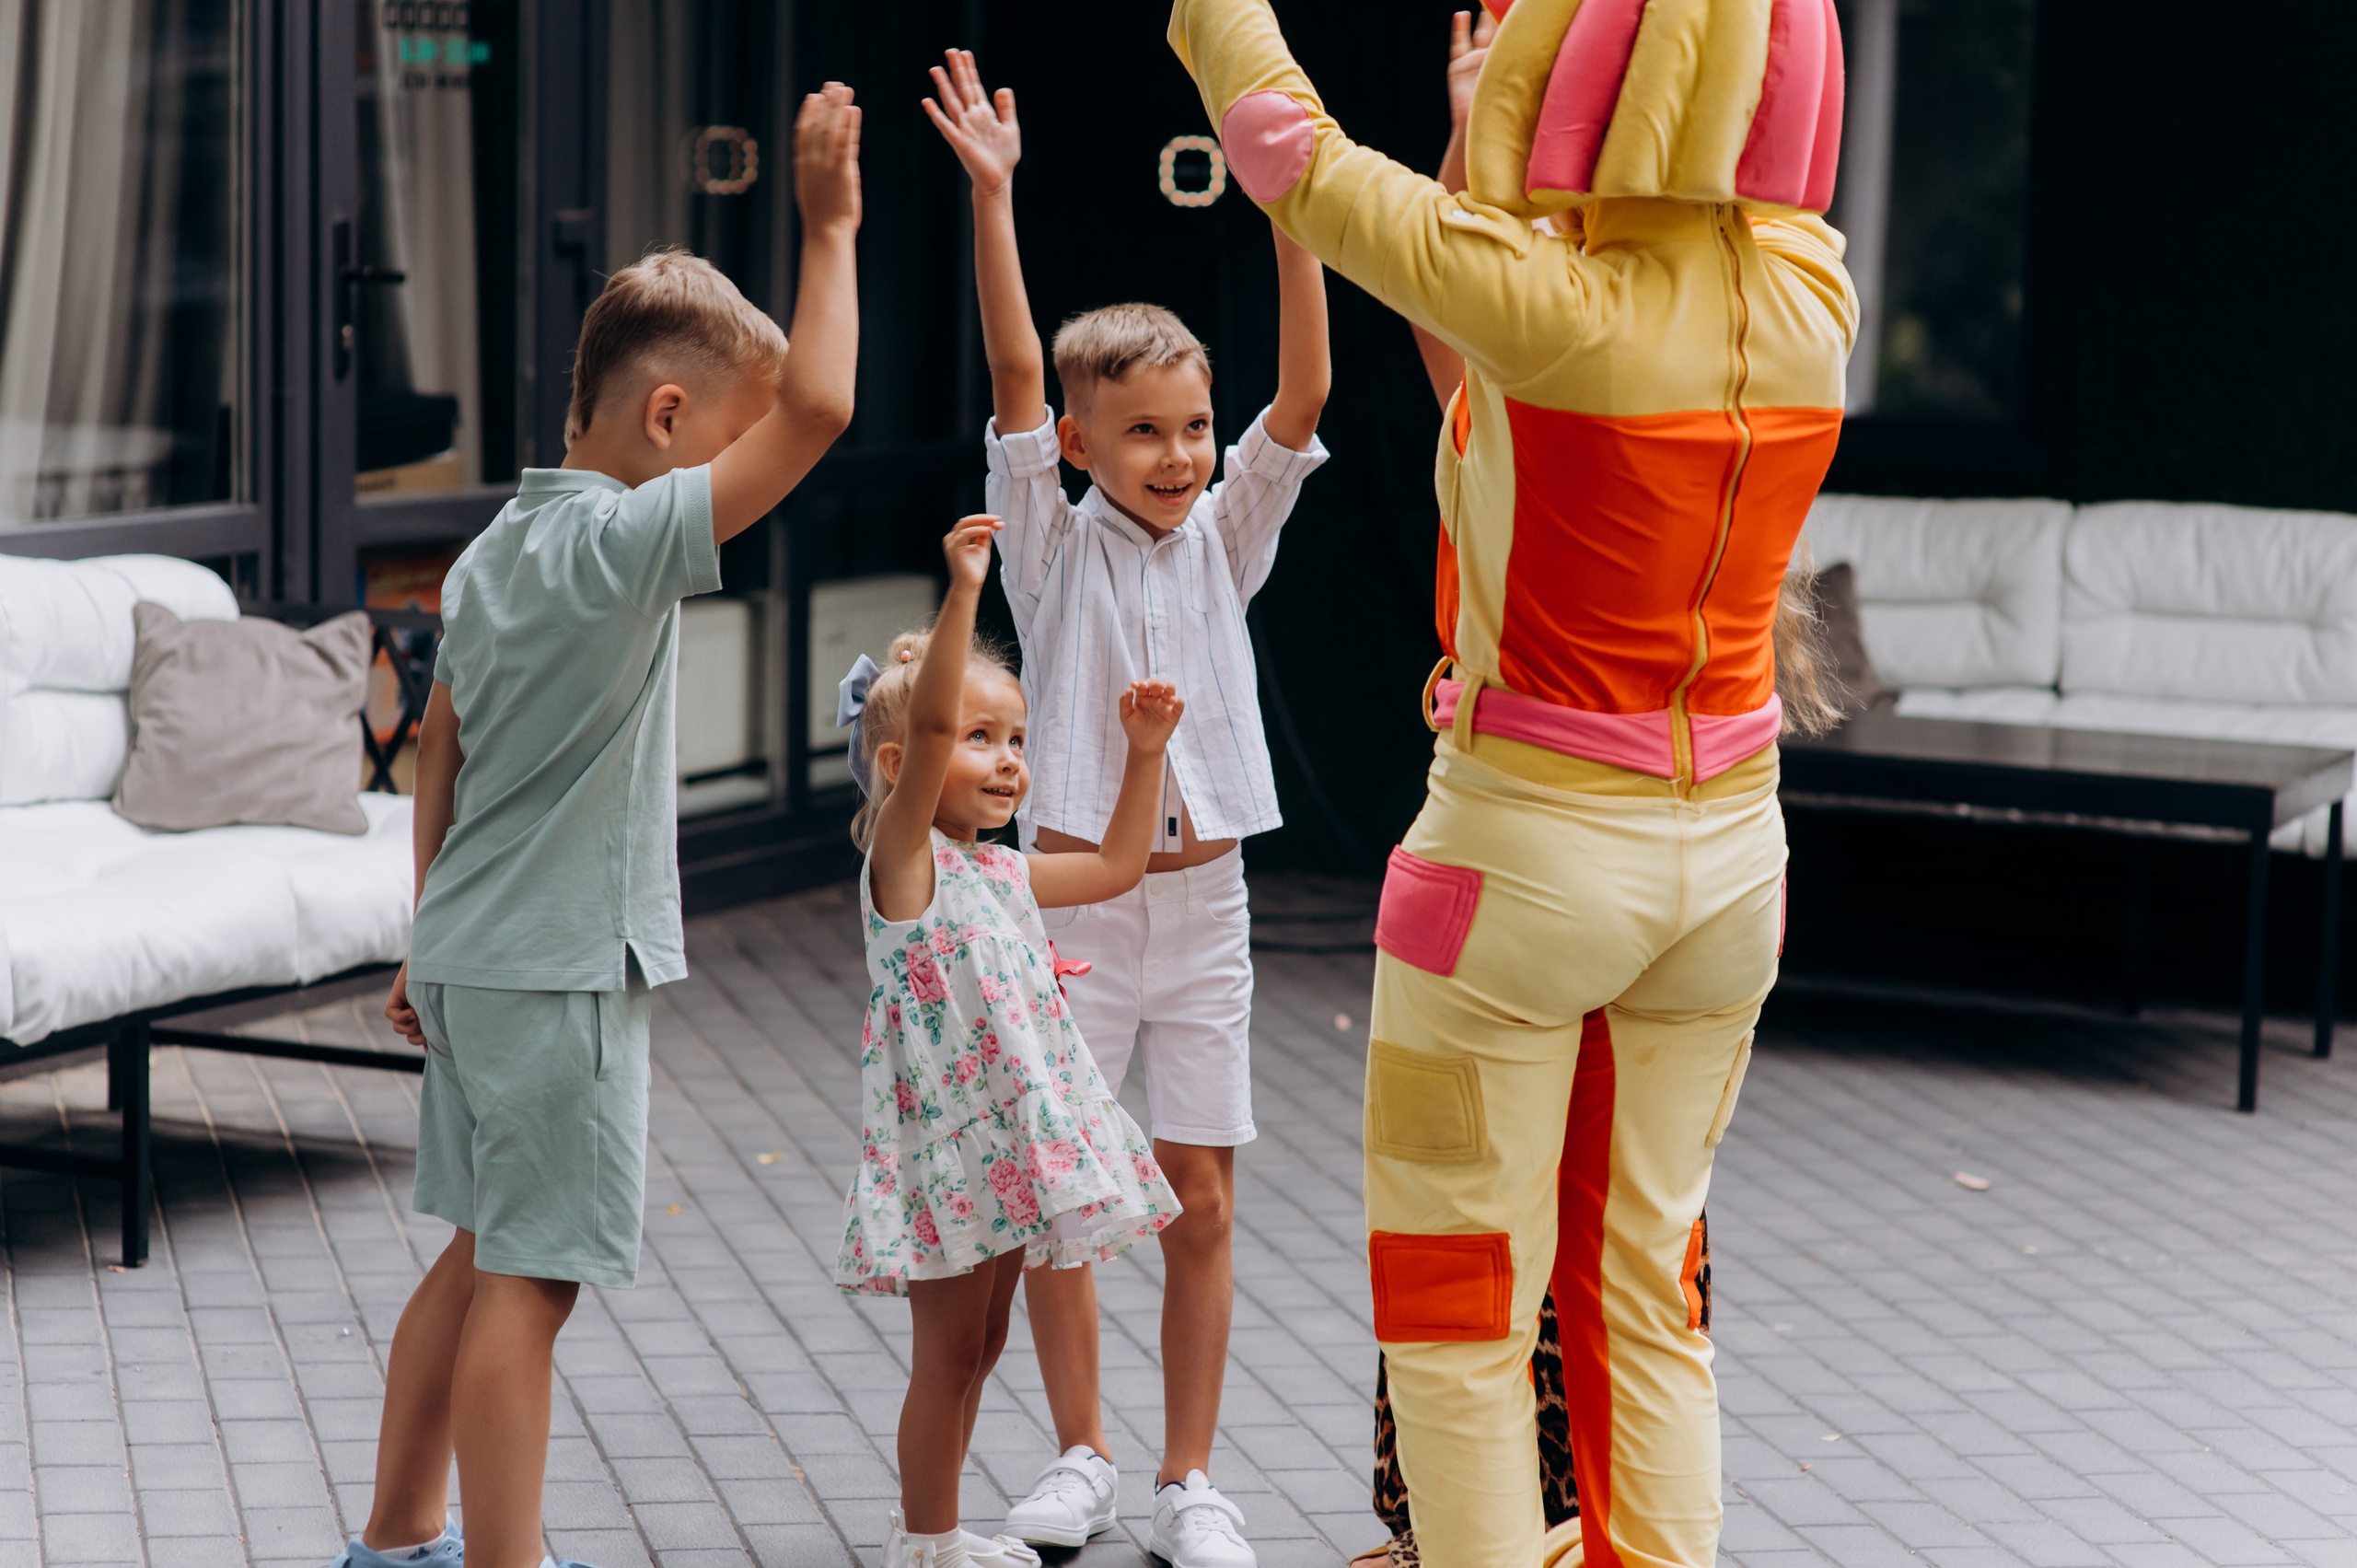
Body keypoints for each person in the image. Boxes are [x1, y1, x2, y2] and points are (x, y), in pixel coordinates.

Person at [1167, 1, 1857, 1565]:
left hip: (1519, 858)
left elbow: (1291, 153)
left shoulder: (1556, 303)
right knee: (1649, 1287)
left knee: (1460, 1308)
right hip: (1731, 865)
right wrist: (1499, 159)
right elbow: (1511, 331)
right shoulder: (1816, 290)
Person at [338, 85, 865, 1568]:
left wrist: (422, 929)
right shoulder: (621, 546)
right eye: (730, 448)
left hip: (477, 953)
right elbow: (823, 409)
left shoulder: (504, 541)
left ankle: (395, 1542)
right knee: (535, 1278)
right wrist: (829, 225)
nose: (741, 482)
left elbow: (439, 743)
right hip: (557, 972)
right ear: (669, 418)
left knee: (480, 1248)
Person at [922, 48, 1331, 1568]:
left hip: (1206, 906)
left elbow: (1302, 394)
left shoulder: (1228, 536)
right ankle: (1082, 1454)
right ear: (1084, 447)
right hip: (1074, 901)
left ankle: (1187, 1478)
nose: (1179, 455)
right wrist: (994, 197)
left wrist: (1293, 213)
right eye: (1144, 432)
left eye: (1190, 426)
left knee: (1200, 1195)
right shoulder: (1050, 540)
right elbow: (1019, 374)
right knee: (1068, 1199)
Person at [833, 514, 1188, 1568]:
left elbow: (1124, 862)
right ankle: (925, 1540)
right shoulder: (907, 864)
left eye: (1018, 740)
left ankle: (936, 1530)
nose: (1005, 761)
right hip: (948, 1153)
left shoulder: (998, 870)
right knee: (947, 1350)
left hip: (1002, 1153)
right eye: (982, 739)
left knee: (980, 1342)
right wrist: (961, 595)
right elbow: (932, 728)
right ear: (899, 765)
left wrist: (1145, 754)